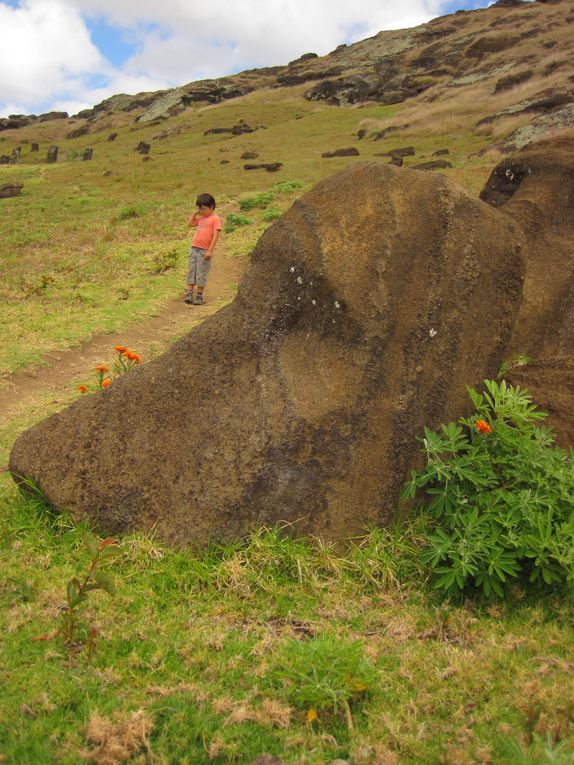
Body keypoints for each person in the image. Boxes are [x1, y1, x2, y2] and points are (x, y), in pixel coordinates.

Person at [185, 193, 221, 305]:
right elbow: (190, 224)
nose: (201, 211)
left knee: (201, 272)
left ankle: (199, 295)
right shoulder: (201, 219)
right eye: (199, 208)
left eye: (203, 209)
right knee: (192, 270)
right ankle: (189, 293)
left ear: (211, 207)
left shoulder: (215, 219)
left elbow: (215, 235)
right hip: (194, 249)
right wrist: (194, 213)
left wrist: (210, 250)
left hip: (204, 250)